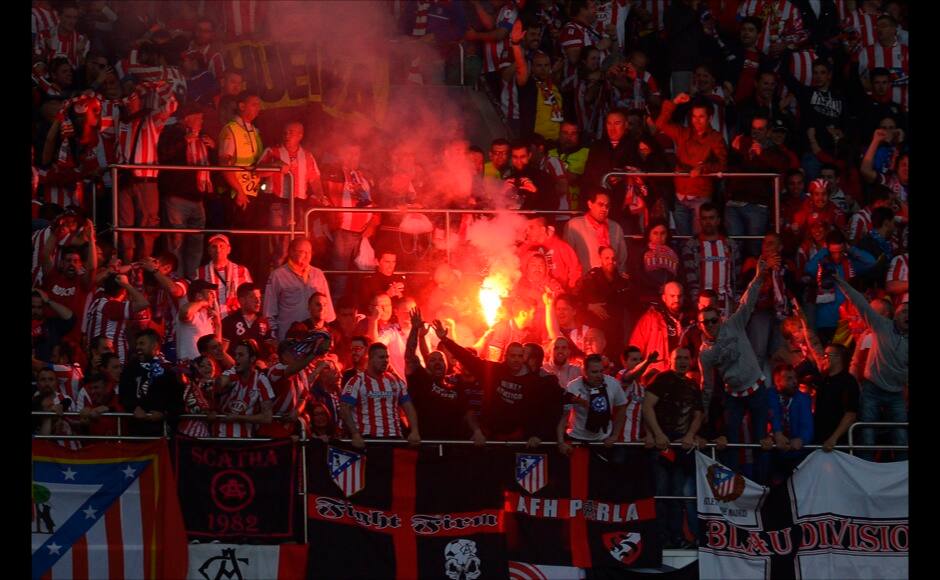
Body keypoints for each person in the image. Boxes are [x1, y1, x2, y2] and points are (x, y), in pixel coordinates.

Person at [698, 260, 771, 473]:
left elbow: (748, 302)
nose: (711, 325)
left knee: (761, 440)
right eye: (706, 322)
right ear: (701, 325)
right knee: (730, 442)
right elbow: (707, 385)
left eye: (714, 320)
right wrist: (703, 410)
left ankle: (762, 486)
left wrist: (758, 276)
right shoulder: (705, 353)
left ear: (720, 318)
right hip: (733, 396)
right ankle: (735, 488)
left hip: (756, 388)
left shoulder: (734, 324)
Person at [435, 321, 547, 447]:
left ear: (523, 358)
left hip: (517, 439)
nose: (516, 359)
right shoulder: (494, 371)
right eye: (513, 356)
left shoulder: (532, 380)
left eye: (519, 356)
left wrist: (537, 434)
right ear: (506, 356)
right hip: (490, 437)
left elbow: (540, 410)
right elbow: (467, 358)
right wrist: (445, 339)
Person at [834, 273, 907, 460]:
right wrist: (840, 282)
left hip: (896, 392)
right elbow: (860, 302)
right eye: (903, 312)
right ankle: (864, 474)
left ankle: (899, 477)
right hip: (872, 388)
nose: (907, 315)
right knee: (866, 436)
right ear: (895, 315)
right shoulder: (882, 325)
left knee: (900, 438)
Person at [642, 347, 704, 549]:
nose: (683, 361)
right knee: (661, 492)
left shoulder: (693, 385)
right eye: (679, 358)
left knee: (676, 494)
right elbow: (647, 406)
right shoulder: (661, 379)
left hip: (681, 446)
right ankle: (661, 537)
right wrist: (658, 433)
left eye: (686, 358)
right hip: (662, 444)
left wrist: (689, 435)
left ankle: (677, 537)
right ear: (671, 360)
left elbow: (698, 414)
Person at [116, 81, 178, 262]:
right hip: (124, 181)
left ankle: (144, 270)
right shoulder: (119, 120)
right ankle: (128, 267)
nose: (131, 100)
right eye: (129, 97)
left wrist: (161, 87)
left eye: (135, 97)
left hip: (146, 181)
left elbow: (171, 106)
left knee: (147, 230)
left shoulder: (151, 120)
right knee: (124, 228)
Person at [655, 93, 727, 236]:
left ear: (710, 118)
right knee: (683, 241)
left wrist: (703, 168)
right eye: (694, 116)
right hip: (680, 194)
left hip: (701, 195)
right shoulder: (683, 133)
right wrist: (674, 102)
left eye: (701, 116)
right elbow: (660, 124)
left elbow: (722, 164)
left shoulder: (715, 138)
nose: (697, 121)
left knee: (699, 239)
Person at [157, 101, 214, 278]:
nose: (202, 121)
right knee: (176, 243)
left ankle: (192, 279)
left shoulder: (200, 137)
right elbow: (164, 154)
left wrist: (212, 147)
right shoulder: (171, 132)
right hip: (177, 197)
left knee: (196, 243)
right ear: (188, 118)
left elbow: (208, 166)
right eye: (199, 118)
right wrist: (184, 141)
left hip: (197, 197)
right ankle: (177, 280)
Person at [258, 121, 324, 269]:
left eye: (291, 132)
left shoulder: (307, 156)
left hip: (298, 204)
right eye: (285, 132)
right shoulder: (272, 151)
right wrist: (275, 166)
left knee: (297, 242)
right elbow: (258, 171)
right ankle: (275, 275)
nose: (287, 135)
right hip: (277, 203)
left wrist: (320, 195)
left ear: (300, 135)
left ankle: (296, 274)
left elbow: (314, 179)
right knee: (278, 244)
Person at [404, 308, 470, 440]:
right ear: (427, 366)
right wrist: (415, 329)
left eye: (441, 359)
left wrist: (445, 339)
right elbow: (410, 355)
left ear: (447, 365)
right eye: (433, 360)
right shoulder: (421, 379)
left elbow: (467, 412)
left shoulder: (455, 383)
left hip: (453, 443)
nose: (437, 362)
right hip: (426, 440)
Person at [340, 342, 421, 449]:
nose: (386, 361)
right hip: (368, 438)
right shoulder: (357, 381)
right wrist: (355, 434)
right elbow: (345, 408)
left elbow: (408, 406)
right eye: (381, 357)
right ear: (371, 359)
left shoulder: (395, 380)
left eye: (387, 357)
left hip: (394, 437)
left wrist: (414, 431)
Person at [218, 90, 265, 273]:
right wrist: (239, 191)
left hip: (253, 193)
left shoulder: (255, 131)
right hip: (237, 194)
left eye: (259, 105)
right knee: (239, 243)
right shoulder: (230, 129)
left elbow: (258, 164)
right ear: (242, 106)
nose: (258, 108)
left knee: (252, 243)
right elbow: (225, 164)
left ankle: (248, 282)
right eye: (254, 104)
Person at [264, 237, 335, 341]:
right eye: (302, 252)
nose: (307, 255)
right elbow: (269, 311)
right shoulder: (278, 275)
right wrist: (274, 335)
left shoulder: (318, 274)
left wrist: (327, 331)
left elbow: (327, 308)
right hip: (289, 338)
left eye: (309, 252)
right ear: (291, 252)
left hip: (315, 337)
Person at [557, 353, 628, 453]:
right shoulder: (573, 386)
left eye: (601, 371)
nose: (599, 375)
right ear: (584, 371)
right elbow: (564, 417)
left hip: (603, 439)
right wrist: (561, 442)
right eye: (594, 372)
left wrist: (615, 435)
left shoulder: (612, 383)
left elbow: (622, 408)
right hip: (577, 438)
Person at [680, 203, 741, 318]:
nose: (708, 222)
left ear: (718, 220)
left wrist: (736, 300)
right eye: (704, 218)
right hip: (703, 302)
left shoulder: (731, 245)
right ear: (699, 221)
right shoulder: (691, 246)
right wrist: (695, 302)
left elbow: (737, 276)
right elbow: (690, 278)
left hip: (726, 302)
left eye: (711, 218)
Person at [119, 328, 183, 436]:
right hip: (135, 431)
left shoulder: (170, 370)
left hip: (161, 432)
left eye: (142, 343)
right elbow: (124, 394)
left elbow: (177, 401)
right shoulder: (130, 369)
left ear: (155, 346)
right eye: (137, 344)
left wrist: (163, 414)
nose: (138, 347)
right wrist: (134, 407)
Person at [581, 109, 641, 223]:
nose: (612, 128)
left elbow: (640, 170)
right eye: (609, 123)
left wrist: (623, 176)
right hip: (600, 202)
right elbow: (588, 175)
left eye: (617, 123)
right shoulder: (597, 146)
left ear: (626, 125)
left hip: (626, 204)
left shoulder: (636, 145)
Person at [762, 364, 813, 484]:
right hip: (774, 453)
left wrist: (802, 439)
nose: (794, 381)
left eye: (795, 378)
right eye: (789, 378)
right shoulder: (769, 396)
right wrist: (777, 434)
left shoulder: (803, 398)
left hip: (797, 454)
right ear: (777, 381)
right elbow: (773, 415)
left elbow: (807, 424)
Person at [214, 339, 275, 438]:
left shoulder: (261, 380)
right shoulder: (231, 373)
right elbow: (220, 383)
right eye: (236, 354)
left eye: (241, 355)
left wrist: (238, 417)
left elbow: (267, 417)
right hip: (220, 437)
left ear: (252, 359)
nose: (236, 358)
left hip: (246, 440)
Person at [85, 273, 150, 364]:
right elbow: (144, 303)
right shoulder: (111, 307)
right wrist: (127, 285)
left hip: (99, 358)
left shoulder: (98, 296)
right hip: (113, 361)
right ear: (122, 291)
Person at [629, 282, 689, 374]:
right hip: (655, 375)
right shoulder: (650, 318)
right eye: (672, 296)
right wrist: (636, 375)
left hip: (680, 375)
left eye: (679, 296)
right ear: (664, 298)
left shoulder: (688, 320)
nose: (676, 299)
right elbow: (635, 348)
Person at [563, 190, 628, 274]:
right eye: (600, 204)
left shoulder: (615, 227)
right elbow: (567, 259)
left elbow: (622, 259)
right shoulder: (574, 226)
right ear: (590, 204)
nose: (604, 209)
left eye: (607, 206)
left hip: (611, 281)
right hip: (585, 282)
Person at [195, 234, 253, 319]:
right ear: (209, 250)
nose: (218, 250)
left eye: (221, 246)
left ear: (228, 249)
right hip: (210, 320)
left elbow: (250, 294)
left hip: (235, 319)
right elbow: (195, 297)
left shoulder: (242, 270)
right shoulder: (200, 272)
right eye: (214, 247)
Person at [518, 215, 582, 290]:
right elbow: (515, 269)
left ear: (542, 229)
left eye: (531, 227)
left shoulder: (561, 246)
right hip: (530, 297)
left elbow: (575, 270)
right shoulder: (525, 248)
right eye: (526, 228)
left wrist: (571, 290)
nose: (527, 231)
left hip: (557, 295)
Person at [222, 283, 276, 360]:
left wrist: (272, 355)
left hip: (260, 368)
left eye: (259, 298)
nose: (258, 301)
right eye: (253, 297)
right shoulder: (229, 322)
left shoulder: (263, 321)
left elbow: (269, 347)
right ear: (242, 300)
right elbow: (223, 352)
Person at [176, 280, 222, 363]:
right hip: (190, 364)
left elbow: (217, 344)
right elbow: (185, 313)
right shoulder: (191, 312)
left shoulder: (207, 313)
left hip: (206, 365)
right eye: (210, 293)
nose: (213, 296)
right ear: (199, 295)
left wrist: (217, 321)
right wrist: (203, 303)